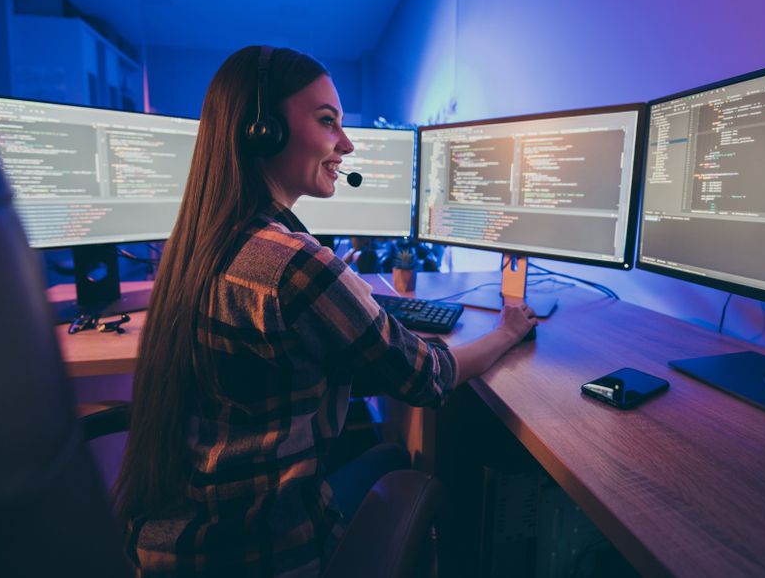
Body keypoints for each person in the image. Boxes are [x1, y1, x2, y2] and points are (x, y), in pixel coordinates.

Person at [115, 46, 537, 576]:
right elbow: (428, 378)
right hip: (262, 551)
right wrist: (507, 331)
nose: (347, 144)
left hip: (179, 545)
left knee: (381, 454)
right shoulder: (294, 264)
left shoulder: (199, 246)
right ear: (262, 130)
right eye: (327, 121)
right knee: (398, 463)